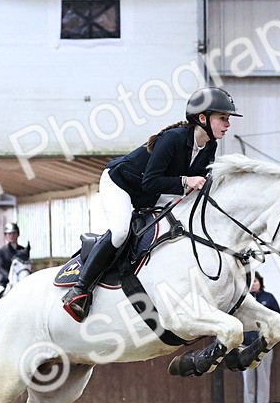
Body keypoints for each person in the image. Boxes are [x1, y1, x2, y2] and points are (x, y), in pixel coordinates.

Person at [61, 86, 242, 322]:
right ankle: (79, 290)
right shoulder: (173, 139)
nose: (227, 124)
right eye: (223, 118)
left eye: (227, 119)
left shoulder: (209, 146)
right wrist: (186, 180)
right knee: (121, 231)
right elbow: (151, 181)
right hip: (122, 184)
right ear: (202, 118)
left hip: (154, 193)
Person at [243, 272, 280, 403]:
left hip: (264, 345)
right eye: (250, 282)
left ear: (260, 282)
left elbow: (278, 317)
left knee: (263, 378)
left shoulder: (269, 298)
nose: (253, 284)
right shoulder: (242, 300)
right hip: (245, 345)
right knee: (248, 379)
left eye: (255, 281)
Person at [0, 222, 24, 288]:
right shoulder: (2, 251)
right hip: (7, 280)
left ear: (18, 234)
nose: (11, 236)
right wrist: (9, 276)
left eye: (14, 233)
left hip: (22, 279)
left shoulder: (23, 250)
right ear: (6, 235)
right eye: (9, 234)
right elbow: (0, 268)